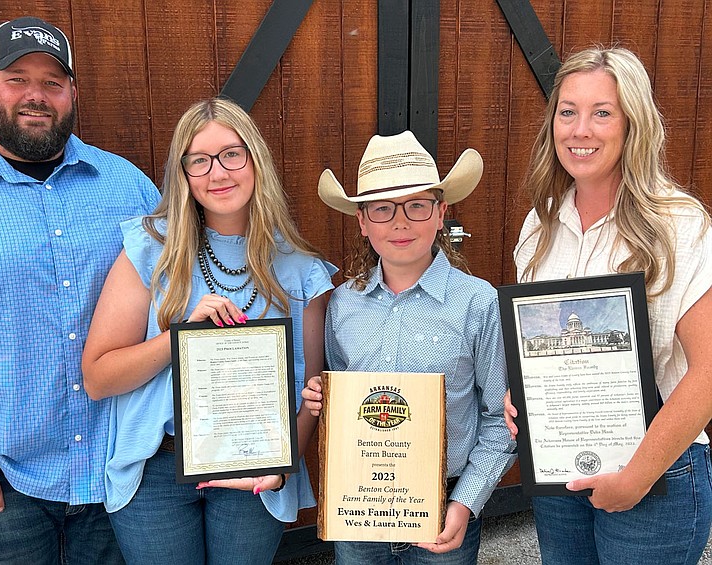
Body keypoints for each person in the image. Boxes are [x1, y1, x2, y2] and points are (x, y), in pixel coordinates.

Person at [0, 16, 160, 564]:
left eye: (52, 82)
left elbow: (176, 301)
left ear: (72, 93)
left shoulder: (127, 185)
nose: (35, 96)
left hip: (117, 472)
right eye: (16, 78)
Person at [81, 97, 336, 564]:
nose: (218, 173)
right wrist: (180, 336)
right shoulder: (149, 250)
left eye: (231, 154)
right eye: (199, 160)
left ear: (255, 160)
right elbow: (98, 377)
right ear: (184, 174)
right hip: (156, 467)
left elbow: (308, 394)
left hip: (253, 470)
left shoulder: (302, 272)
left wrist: (279, 472)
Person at [506, 46, 712, 565]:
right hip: (559, 468)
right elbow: (543, 345)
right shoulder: (541, 226)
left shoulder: (680, 225)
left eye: (602, 113)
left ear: (632, 124)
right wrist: (522, 395)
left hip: (657, 470)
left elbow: (708, 372)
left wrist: (636, 477)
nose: (580, 130)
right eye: (568, 111)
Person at [303, 131, 516, 564]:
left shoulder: (479, 304)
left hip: (445, 508)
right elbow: (343, 405)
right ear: (362, 222)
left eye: (417, 205)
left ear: (441, 213)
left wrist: (466, 503)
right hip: (360, 508)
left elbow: (499, 418)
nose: (400, 223)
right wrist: (322, 401)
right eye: (382, 208)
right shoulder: (342, 304)